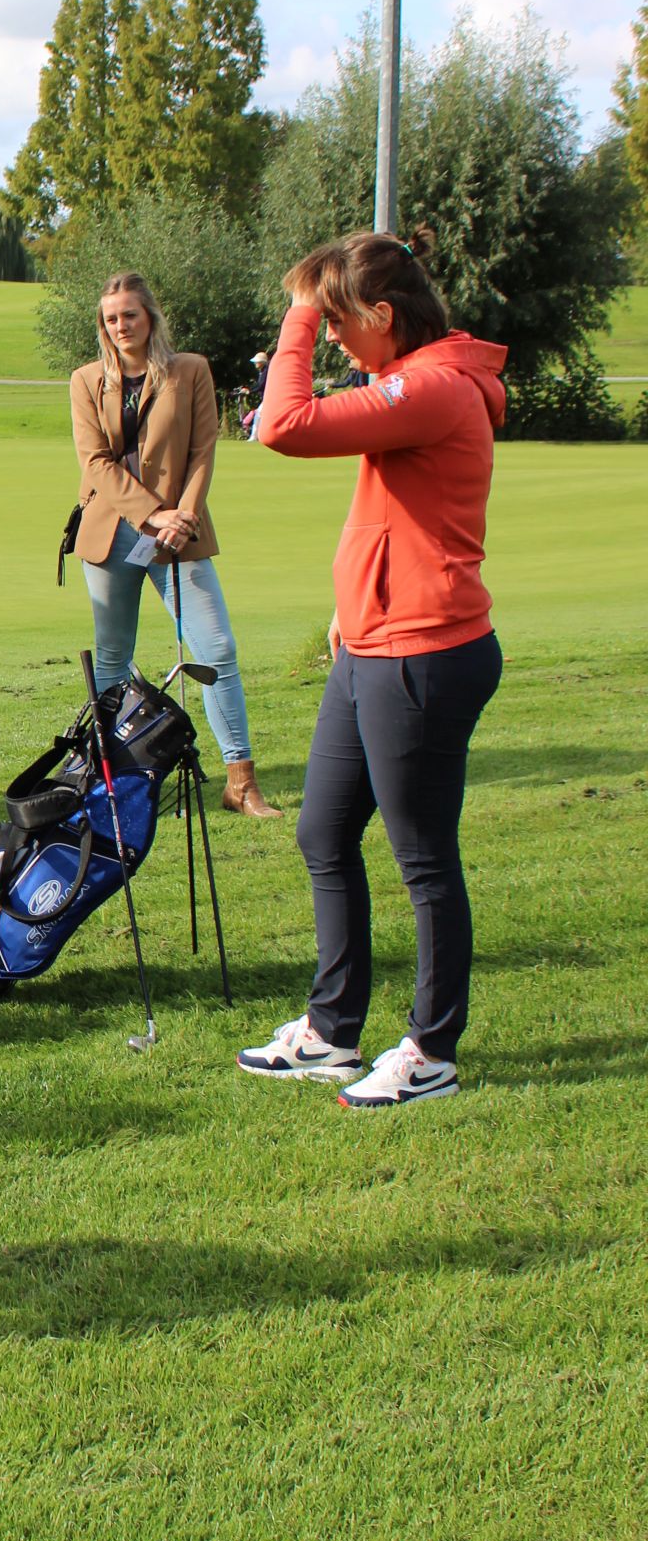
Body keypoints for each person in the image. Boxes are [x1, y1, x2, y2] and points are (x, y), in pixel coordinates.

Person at [240, 232, 506, 1111]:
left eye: (339, 322)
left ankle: (432, 1051)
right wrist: (353, 608)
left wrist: (297, 311)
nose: (333, 340)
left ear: (382, 315)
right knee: (323, 833)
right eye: (322, 323)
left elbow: (283, 424)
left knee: (423, 861)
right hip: (369, 646)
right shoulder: (411, 377)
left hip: (424, 654)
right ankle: (332, 1031)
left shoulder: (433, 385)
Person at [68, 271, 280, 819]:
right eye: (111, 318)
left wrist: (182, 515)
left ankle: (241, 781)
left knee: (217, 649)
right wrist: (152, 512)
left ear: (150, 316)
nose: (120, 326)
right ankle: (114, 781)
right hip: (112, 534)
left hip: (180, 534)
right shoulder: (86, 379)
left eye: (129, 315)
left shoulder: (190, 370)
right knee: (113, 656)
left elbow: (203, 450)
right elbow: (95, 461)